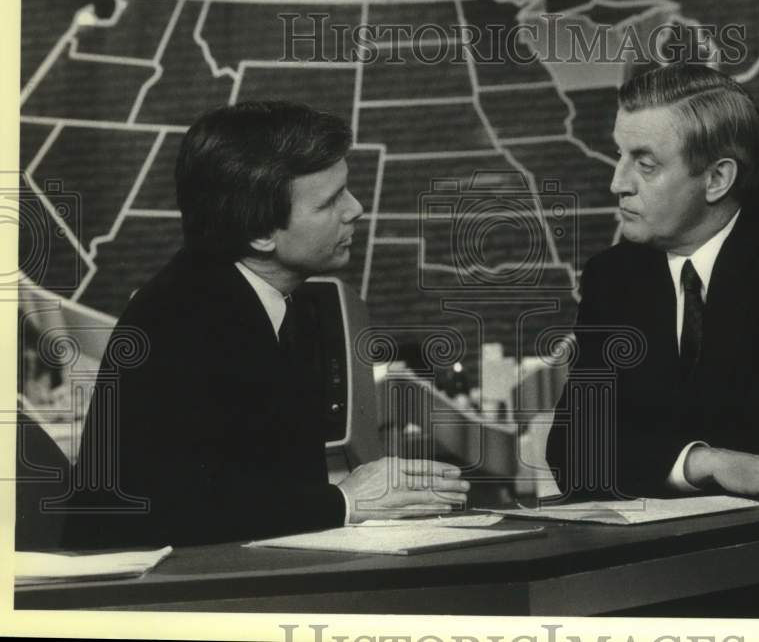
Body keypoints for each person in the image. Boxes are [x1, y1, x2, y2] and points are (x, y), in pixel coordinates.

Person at [64, 101, 468, 549]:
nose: (355, 209)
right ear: (260, 232)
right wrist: (346, 500)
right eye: (330, 200)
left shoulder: (249, 302)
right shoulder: (186, 321)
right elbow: (157, 514)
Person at [546, 63, 759, 502]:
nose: (617, 183)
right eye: (619, 156)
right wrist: (705, 462)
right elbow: (574, 454)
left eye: (644, 164)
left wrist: (653, 450)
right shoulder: (613, 275)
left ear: (717, 178)